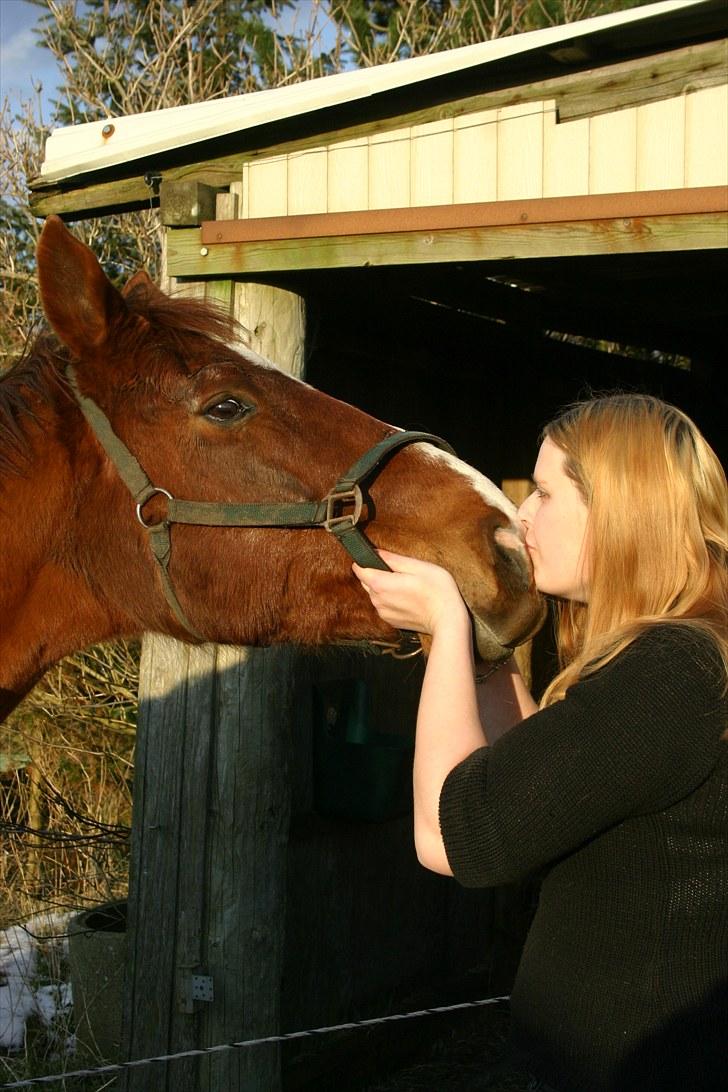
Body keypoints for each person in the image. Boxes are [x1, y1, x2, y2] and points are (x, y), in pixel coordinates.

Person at [353, 393, 728, 1092]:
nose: (522, 512)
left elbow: (453, 835)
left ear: (623, 510)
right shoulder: (693, 656)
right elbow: (539, 791)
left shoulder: (672, 672)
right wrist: (488, 650)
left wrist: (444, 627)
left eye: (547, 492)